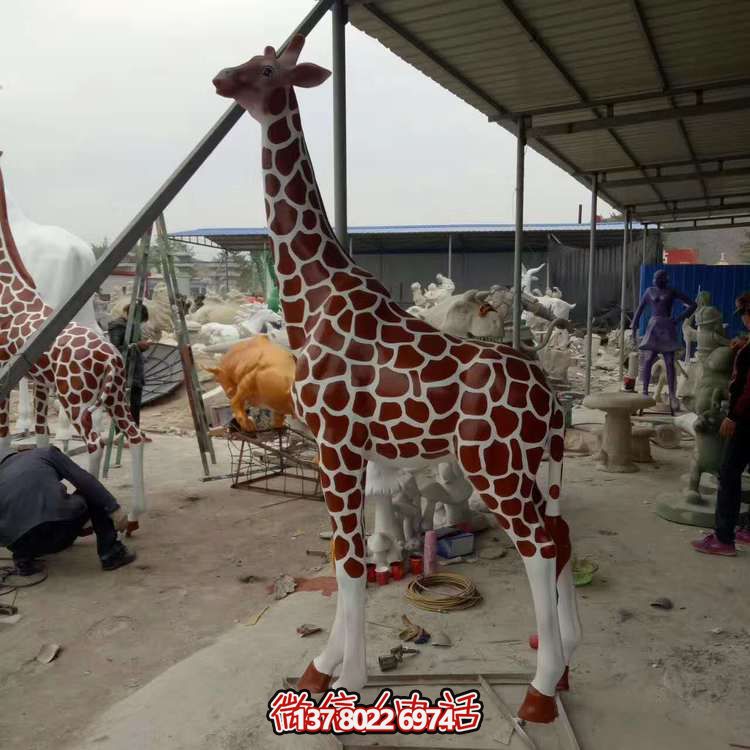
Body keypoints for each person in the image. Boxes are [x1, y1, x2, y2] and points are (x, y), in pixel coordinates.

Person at [0, 446, 136, 572]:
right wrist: (113, 508)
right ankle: (111, 554)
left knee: (15, 518)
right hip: (58, 535)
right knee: (90, 491)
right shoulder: (46, 453)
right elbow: (85, 480)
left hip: (20, 545)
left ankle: (23, 561)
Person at [692, 292, 750, 556]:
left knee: (728, 474)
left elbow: (748, 389)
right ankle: (747, 529)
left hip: (745, 419)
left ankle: (723, 538)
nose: (743, 320)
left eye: (744, 314)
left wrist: (733, 417)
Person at [107, 304, 153, 426]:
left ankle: (134, 431)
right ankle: (121, 433)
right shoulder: (118, 327)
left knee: (135, 404)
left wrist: (141, 347)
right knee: (122, 404)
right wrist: (138, 346)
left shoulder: (132, 327)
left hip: (135, 371)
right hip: (124, 372)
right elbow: (116, 349)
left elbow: (132, 345)